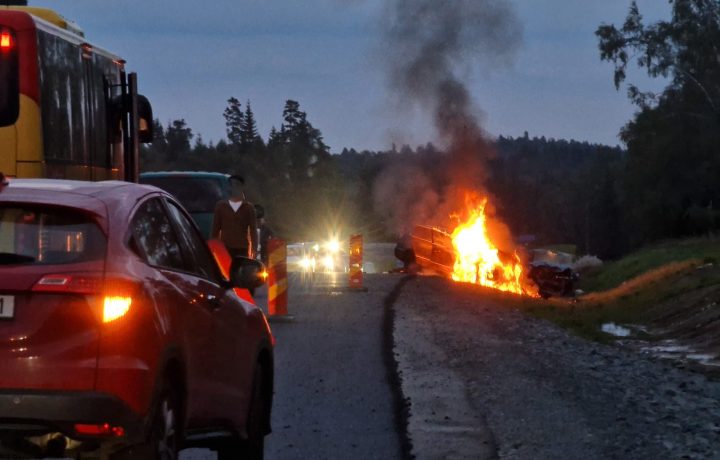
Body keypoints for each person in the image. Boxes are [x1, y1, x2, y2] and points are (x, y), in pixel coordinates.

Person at [211, 174, 258, 259]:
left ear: (242, 187)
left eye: (237, 185)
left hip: (242, 248)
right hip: (225, 247)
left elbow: (253, 231)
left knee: (240, 271)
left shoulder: (248, 207)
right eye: (232, 185)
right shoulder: (221, 206)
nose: (234, 187)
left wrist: (254, 249)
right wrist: (213, 248)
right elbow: (215, 230)